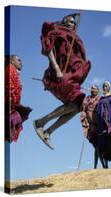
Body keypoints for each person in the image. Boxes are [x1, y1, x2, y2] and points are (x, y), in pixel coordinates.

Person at [33, 13, 91, 149]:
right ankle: (41, 123)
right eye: (70, 22)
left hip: (70, 75)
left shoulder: (74, 37)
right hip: (58, 74)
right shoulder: (57, 32)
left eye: (74, 23)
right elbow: (49, 50)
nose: (73, 24)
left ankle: (47, 130)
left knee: (77, 106)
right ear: (64, 22)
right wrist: (57, 68)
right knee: (79, 100)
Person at [5, 55, 32, 142]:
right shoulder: (10, 70)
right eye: (18, 60)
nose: (21, 62)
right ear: (12, 61)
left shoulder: (14, 72)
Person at [96, 81, 111, 168]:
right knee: (103, 143)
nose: (104, 88)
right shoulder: (101, 99)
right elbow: (98, 112)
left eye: (106, 86)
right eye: (103, 86)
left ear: (109, 87)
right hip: (102, 124)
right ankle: (105, 164)